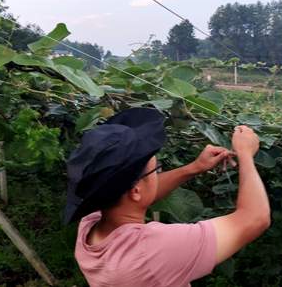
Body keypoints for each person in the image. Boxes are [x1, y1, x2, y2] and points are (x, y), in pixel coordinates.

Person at [64, 107, 271, 287]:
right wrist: (245, 154)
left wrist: (194, 168)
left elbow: (136, 193)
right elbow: (254, 219)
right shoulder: (151, 251)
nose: (157, 175)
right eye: (156, 170)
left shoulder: (90, 223)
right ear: (135, 190)